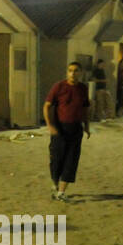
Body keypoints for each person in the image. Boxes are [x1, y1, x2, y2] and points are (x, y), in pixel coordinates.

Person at [43, 61, 91, 202]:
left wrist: (87, 125)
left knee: (71, 160)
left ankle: (61, 192)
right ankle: (55, 184)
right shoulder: (59, 87)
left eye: (76, 70)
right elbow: (46, 106)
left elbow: (85, 108)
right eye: (70, 70)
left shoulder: (83, 88)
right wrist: (50, 125)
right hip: (60, 129)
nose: (72, 73)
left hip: (76, 128)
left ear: (80, 73)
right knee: (57, 159)